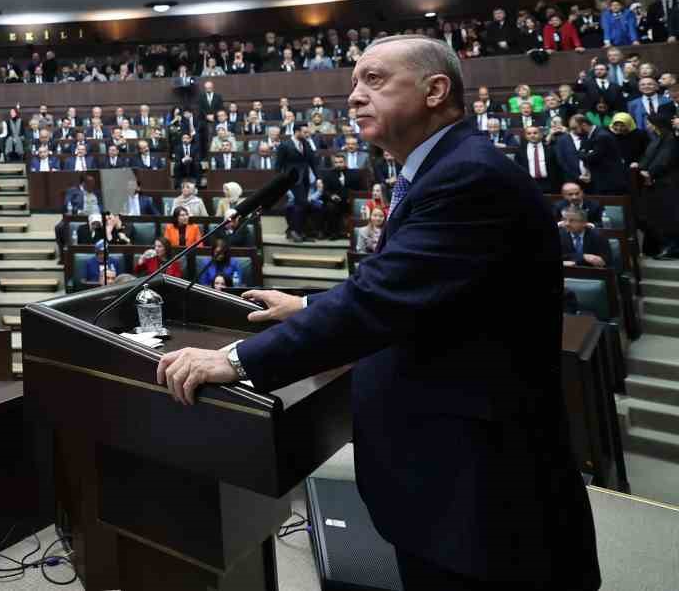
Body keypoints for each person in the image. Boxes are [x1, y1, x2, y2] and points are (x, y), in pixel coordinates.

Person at [156, 35, 597, 590]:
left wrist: (238, 361)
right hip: (451, 475)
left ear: (436, 90)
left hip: (481, 489)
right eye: (353, 83)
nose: (355, 96)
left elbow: (382, 300)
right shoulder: (443, 167)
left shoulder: (468, 176)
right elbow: (422, 289)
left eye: (375, 80)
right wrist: (308, 305)